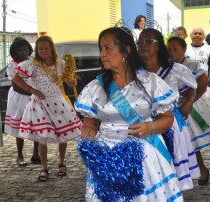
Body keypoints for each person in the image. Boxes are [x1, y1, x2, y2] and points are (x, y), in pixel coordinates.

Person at [75, 27, 183, 201]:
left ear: (126, 50)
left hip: (145, 156)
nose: (103, 54)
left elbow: (168, 119)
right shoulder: (95, 88)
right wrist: (89, 144)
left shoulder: (150, 82)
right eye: (101, 49)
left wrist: (150, 127)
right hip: (106, 157)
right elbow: (89, 124)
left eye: (107, 48)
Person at [12, 35, 82, 182]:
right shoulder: (32, 64)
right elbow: (15, 78)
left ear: (52, 49)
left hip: (58, 101)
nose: (43, 51)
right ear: (37, 50)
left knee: (63, 135)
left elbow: (71, 81)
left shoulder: (61, 64)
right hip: (40, 104)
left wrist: (72, 81)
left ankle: (61, 163)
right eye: (40, 48)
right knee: (42, 136)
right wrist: (31, 89)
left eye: (46, 48)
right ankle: (44, 167)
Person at [138, 28, 200, 190]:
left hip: (171, 125)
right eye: (140, 41)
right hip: (145, 126)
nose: (143, 45)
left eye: (148, 41)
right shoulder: (135, 72)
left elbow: (192, 87)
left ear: (159, 46)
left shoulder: (173, 69)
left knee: (172, 170)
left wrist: (187, 103)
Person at [167, 36, 210, 185]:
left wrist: (190, 101)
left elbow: (203, 80)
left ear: (184, 49)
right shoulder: (166, 66)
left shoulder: (191, 64)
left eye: (176, 49)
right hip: (172, 108)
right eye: (169, 49)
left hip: (189, 108)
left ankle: (201, 169)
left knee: (191, 142)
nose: (172, 52)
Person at [4, 37, 40, 166]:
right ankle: (20, 155)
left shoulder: (33, 61)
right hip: (19, 97)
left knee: (36, 125)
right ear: (15, 52)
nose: (23, 52)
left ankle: (36, 154)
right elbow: (16, 86)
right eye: (20, 50)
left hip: (33, 94)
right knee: (19, 126)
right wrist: (32, 92)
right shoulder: (13, 65)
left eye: (25, 49)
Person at [186, 26, 210, 112]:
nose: (197, 35)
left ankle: (207, 125)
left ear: (204, 36)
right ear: (190, 35)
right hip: (187, 86)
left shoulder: (209, 49)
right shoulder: (185, 49)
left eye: (200, 34)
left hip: (204, 85)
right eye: (195, 33)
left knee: (206, 111)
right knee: (189, 110)